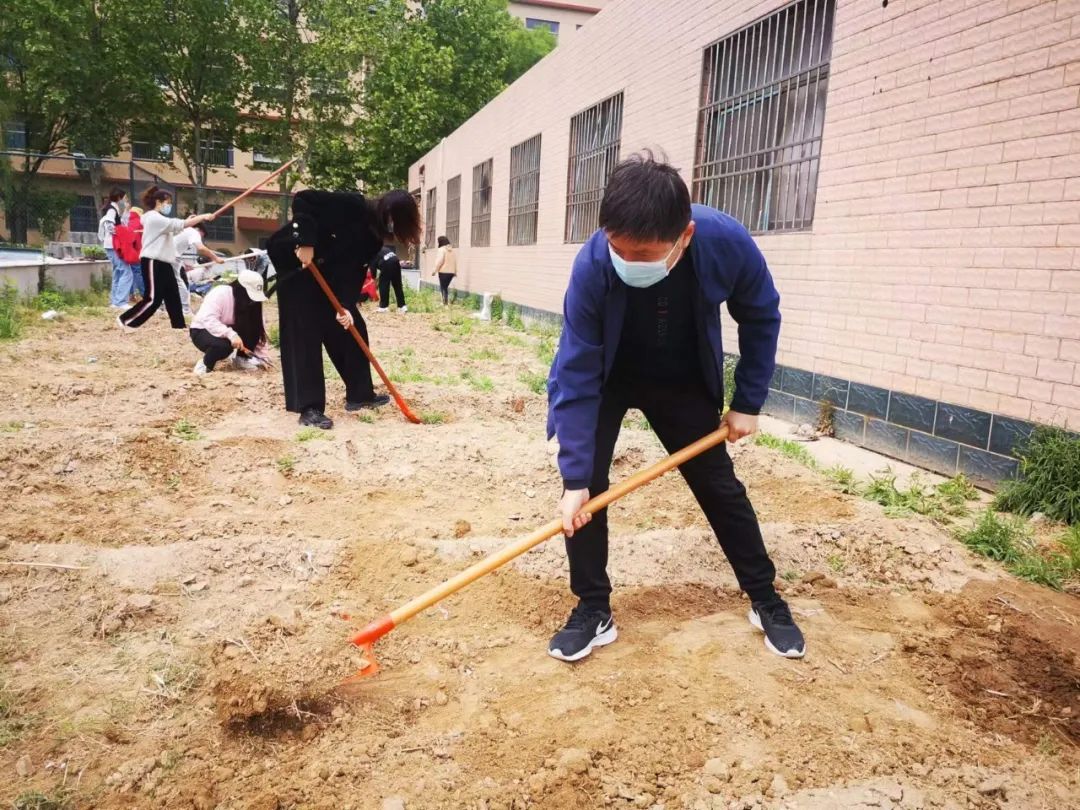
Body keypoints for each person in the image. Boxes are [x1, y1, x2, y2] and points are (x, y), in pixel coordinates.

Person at [545, 153, 804, 663]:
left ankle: (766, 599)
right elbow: (575, 370)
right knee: (585, 494)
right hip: (608, 376)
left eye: (647, 255)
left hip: (682, 377)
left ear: (684, 235)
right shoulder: (594, 263)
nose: (632, 264)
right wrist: (575, 477)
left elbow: (760, 315)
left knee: (717, 485)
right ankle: (593, 609)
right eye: (623, 252)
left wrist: (747, 401)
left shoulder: (725, 241)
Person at [265, 189, 422, 430]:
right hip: (297, 265)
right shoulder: (352, 205)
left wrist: (347, 305)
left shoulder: (375, 237)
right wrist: (305, 241)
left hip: (328, 278)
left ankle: (360, 395)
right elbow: (303, 199)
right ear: (388, 212)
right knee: (306, 334)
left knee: (352, 327)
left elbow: (355, 271)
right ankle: (310, 408)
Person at [117, 186, 214, 331]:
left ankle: (179, 326)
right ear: (158, 202)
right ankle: (126, 320)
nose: (169, 205)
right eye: (167, 202)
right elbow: (179, 224)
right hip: (152, 261)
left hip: (164, 262)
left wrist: (188, 220)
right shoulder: (153, 218)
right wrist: (203, 217)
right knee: (153, 298)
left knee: (172, 294)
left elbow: (175, 227)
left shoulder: (158, 219)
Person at [189, 269, 271, 375]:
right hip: (202, 329)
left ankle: (242, 358)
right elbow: (209, 319)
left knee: (252, 327)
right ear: (241, 288)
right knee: (223, 346)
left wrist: (263, 358)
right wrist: (231, 335)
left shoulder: (252, 303)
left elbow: (259, 330)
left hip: (228, 332)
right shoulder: (221, 293)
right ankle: (205, 365)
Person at [174, 221, 224, 315]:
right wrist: (216, 258)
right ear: (200, 230)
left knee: (173, 283)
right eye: (202, 235)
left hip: (170, 257)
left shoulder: (183, 231)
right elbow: (201, 248)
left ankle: (171, 307)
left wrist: (183, 265)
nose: (201, 238)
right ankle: (185, 310)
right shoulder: (194, 232)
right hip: (170, 258)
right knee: (181, 283)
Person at [99, 187, 132, 309]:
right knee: (126, 272)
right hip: (113, 244)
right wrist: (120, 233)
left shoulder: (114, 209)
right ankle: (121, 301)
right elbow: (109, 224)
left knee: (118, 272)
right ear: (119, 197)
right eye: (125, 198)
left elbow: (122, 222)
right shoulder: (112, 210)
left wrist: (126, 211)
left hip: (111, 245)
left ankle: (115, 301)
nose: (126, 200)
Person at [374, 240, 407, 313]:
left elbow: (373, 270)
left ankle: (383, 307)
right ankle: (402, 306)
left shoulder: (372, 252)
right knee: (397, 284)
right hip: (396, 261)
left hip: (387, 263)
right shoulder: (383, 248)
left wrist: (374, 282)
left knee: (383, 285)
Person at [122, 203, 146, 299]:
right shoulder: (139, 222)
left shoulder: (127, 221)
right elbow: (136, 238)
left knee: (129, 273)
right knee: (138, 272)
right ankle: (144, 294)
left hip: (125, 251)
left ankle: (130, 294)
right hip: (135, 251)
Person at [432, 235, 457, 305]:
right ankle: (445, 302)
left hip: (443, 271)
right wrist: (455, 272)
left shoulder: (441, 250)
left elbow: (439, 261)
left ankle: (444, 303)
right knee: (445, 287)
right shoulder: (452, 250)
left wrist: (434, 270)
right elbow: (454, 261)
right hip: (451, 272)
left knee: (443, 287)